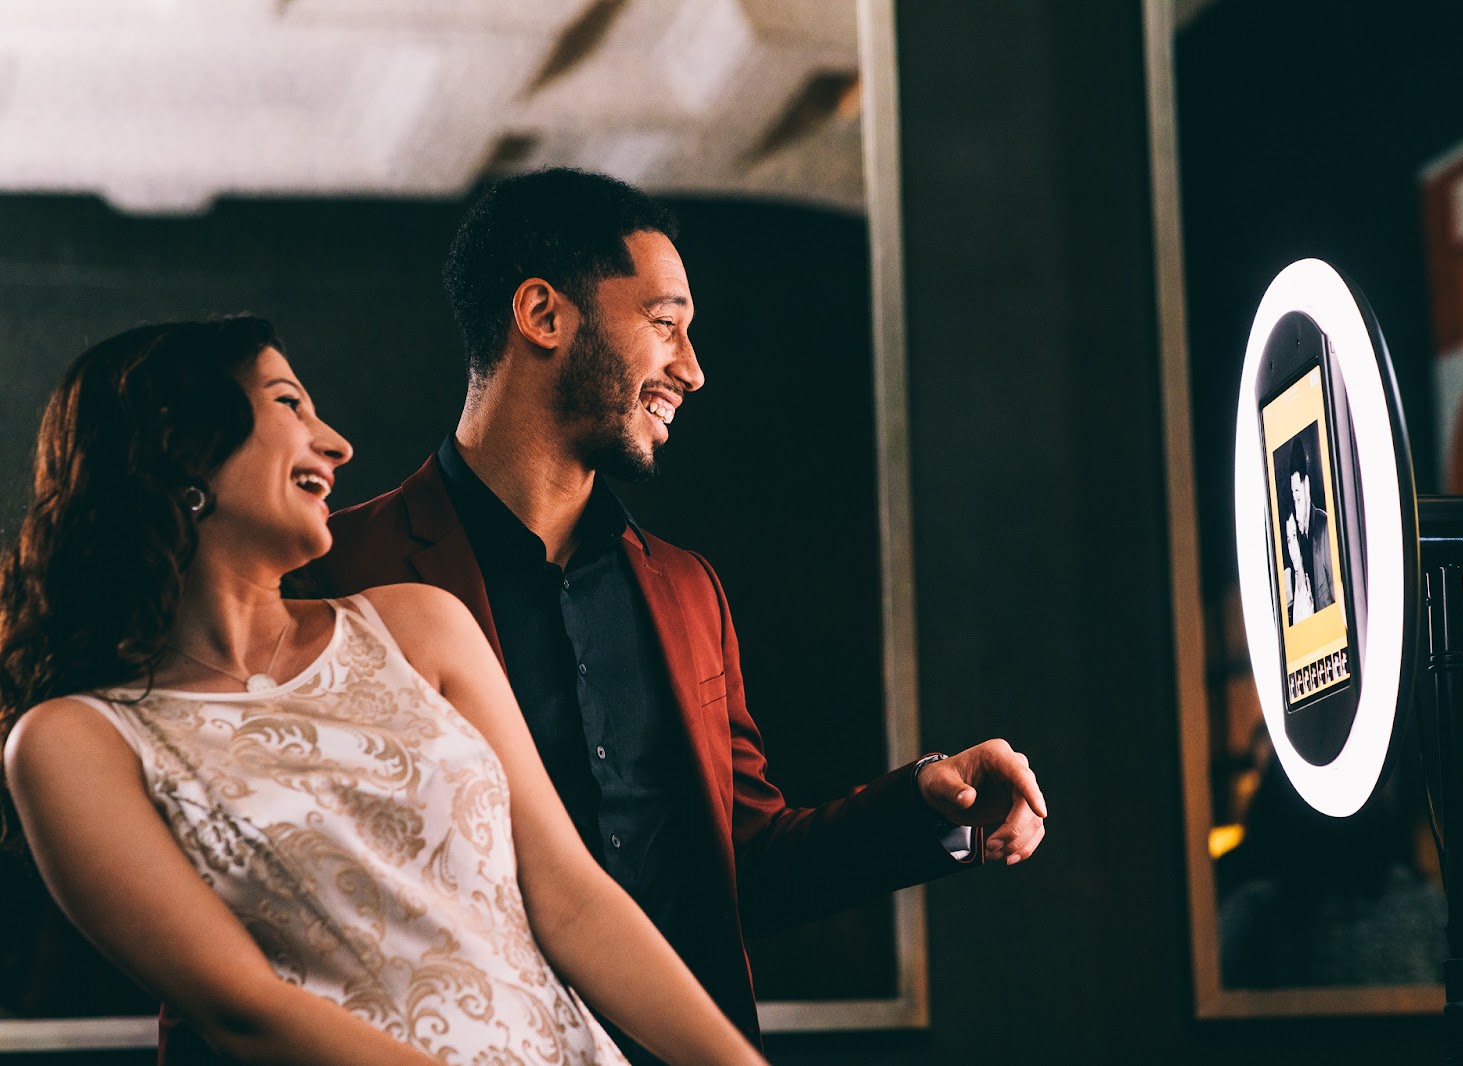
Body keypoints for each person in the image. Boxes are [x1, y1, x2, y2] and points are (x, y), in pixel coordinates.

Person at [300, 167, 1049, 1060]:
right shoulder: (332, 573)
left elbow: (744, 869)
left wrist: (930, 800)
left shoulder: (688, 591)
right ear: (542, 315)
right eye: (666, 324)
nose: (691, 370)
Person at [0, 318, 764, 1066]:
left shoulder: (418, 625)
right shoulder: (72, 741)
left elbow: (573, 903)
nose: (337, 445)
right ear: (178, 444)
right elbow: (243, 1010)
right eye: (288, 404)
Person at [1284, 435, 1335, 622]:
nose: (1297, 512)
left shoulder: (1325, 530)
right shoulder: (1299, 540)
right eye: (1293, 500)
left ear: (1307, 487)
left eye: (1298, 499)